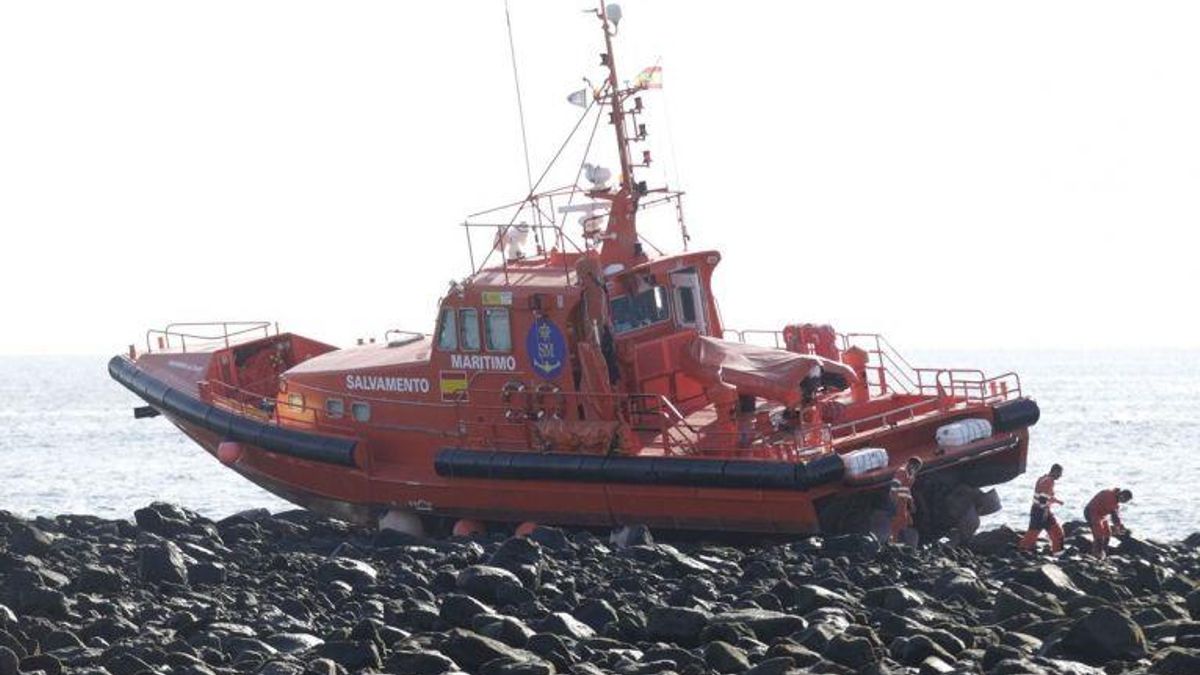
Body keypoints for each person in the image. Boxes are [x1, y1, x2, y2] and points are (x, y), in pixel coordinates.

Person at [1019, 464, 1064, 553]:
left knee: (1057, 533)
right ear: (1055, 471)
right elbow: (1042, 500)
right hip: (1040, 512)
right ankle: (1021, 553)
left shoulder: (1042, 478)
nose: (1060, 476)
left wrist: (1057, 501)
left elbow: (1043, 496)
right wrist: (1053, 502)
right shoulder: (1050, 481)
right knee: (1032, 535)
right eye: (1060, 473)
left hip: (1042, 510)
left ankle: (1057, 554)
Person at [1084, 487, 1133, 558]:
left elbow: (1115, 514)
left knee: (1107, 533)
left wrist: (1120, 526)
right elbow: (1114, 515)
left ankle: (1103, 553)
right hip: (1091, 512)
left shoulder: (1115, 501)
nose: (1124, 502)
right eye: (1125, 500)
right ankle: (1096, 554)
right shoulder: (1109, 496)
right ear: (1122, 496)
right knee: (1099, 533)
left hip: (1101, 515)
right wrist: (1118, 526)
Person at [891, 457, 923, 546]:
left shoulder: (911, 475)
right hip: (898, 502)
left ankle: (903, 543)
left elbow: (907, 490)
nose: (916, 470)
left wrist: (911, 503)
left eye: (917, 468)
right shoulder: (901, 472)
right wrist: (893, 502)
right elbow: (894, 487)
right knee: (897, 522)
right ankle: (894, 543)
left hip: (904, 502)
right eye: (915, 467)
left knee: (906, 521)